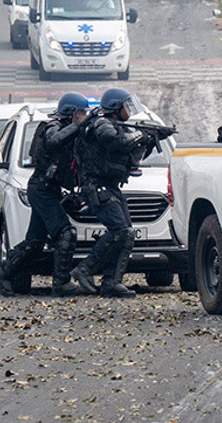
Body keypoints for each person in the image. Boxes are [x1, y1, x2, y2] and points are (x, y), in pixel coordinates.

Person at [0, 93, 89, 298]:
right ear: (71, 113)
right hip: (41, 189)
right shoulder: (51, 128)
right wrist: (77, 127)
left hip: (48, 190)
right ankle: (61, 284)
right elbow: (53, 142)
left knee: (34, 243)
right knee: (66, 233)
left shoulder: (73, 134)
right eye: (81, 113)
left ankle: (0, 273)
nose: (84, 116)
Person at [70, 88, 150, 298]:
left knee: (127, 234)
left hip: (110, 186)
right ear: (116, 108)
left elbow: (129, 153)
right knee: (120, 231)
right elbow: (116, 143)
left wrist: (147, 140)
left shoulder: (115, 124)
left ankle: (112, 282)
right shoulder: (102, 124)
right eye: (125, 106)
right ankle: (85, 269)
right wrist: (140, 134)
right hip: (98, 186)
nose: (128, 111)